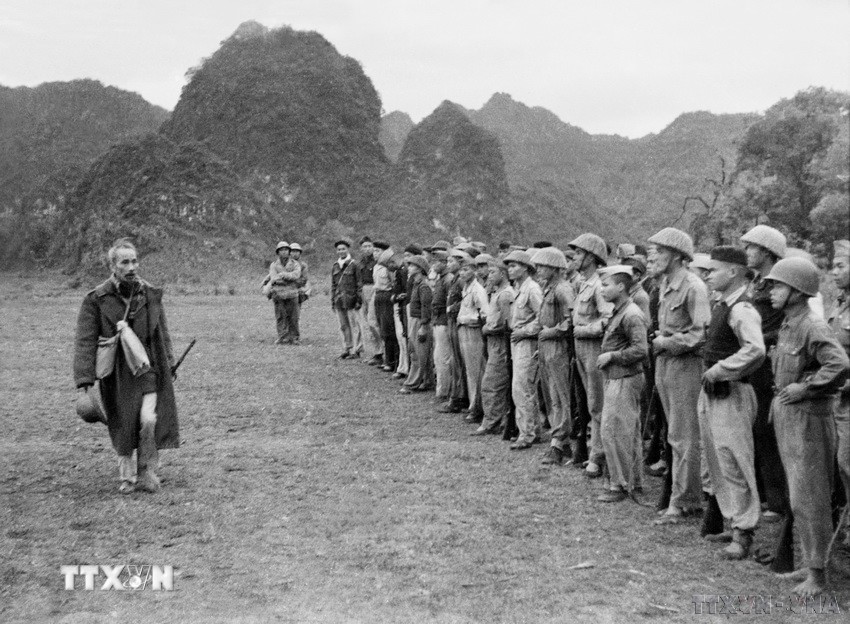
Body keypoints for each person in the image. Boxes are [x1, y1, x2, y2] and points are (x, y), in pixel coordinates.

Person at [766, 256, 849, 597]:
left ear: (799, 292)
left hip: (809, 419)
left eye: (779, 286)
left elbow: (840, 364)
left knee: (811, 496)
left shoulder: (813, 326)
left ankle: (818, 575)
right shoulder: (790, 323)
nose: (772, 291)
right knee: (798, 495)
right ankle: (812, 562)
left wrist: (809, 386)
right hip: (790, 416)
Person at [73, 239, 179, 494]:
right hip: (117, 374)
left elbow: (162, 333)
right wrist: (84, 380)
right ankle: (126, 476)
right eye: (125, 262)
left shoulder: (150, 294)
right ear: (113, 265)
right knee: (122, 423)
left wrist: (171, 363)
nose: (132, 267)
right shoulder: (96, 299)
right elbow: (85, 341)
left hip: (149, 368)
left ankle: (147, 469)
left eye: (134, 261)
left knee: (148, 419)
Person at [697, 246, 766, 559]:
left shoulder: (742, 308)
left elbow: (755, 350)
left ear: (734, 271)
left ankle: (744, 533)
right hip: (715, 393)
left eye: (715, 269)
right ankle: (734, 520)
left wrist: (720, 369)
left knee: (735, 461)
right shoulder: (722, 305)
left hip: (733, 393)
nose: (709, 275)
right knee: (717, 460)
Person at [647, 227, 711, 525]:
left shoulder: (694, 286)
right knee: (674, 434)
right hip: (666, 365)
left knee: (685, 436)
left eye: (659, 251)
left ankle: (684, 501)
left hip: (685, 366)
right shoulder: (665, 284)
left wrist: (667, 342)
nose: (654, 256)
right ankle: (683, 497)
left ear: (676, 255)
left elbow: (701, 334)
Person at [596, 265, 648, 502]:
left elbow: (640, 349)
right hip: (616, 377)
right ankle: (630, 481)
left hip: (625, 378)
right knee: (622, 431)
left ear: (621, 287)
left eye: (606, 285)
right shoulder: (621, 311)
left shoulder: (632, 314)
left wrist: (612, 356)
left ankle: (620, 485)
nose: (602, 289)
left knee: (615, 431)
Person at [569, 233, 613, 477]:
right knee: (590, 403)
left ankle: (598, 457)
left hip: (593, 348)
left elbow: (607, 320)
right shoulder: (583, 283)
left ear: (591, 256)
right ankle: (594, 452)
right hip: (581, 348)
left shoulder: (598, 285)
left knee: (597, 404)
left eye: (578, 253)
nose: (574, 257)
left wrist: (583, 330)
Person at [534, 247, 576, 465]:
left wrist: (554, 331)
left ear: (554, 267)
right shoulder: (549, 288)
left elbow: (572, 320)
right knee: (551, 396)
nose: (539, 269)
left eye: (542, 266)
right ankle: (562, 441)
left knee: (560, 397)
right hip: (547, 347)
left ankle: (558, 443)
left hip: (558, 347)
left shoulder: (562, 289)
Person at [505, 249, 544, 450]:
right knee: (522, 388)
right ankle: (532, 430)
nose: (510, 270)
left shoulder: (532, 289)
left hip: (527, 343)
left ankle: (526, 433)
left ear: (526, 268)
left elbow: (543, 318)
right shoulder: (520, 288)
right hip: (518, 342)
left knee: (522, 388)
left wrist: (526, 331)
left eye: (514, 266)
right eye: (509, 266)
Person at [474, 258, 516, 435]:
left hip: (500, 343)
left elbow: (507, 323)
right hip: (493, 342)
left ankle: (492, 421)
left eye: (493, 272)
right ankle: (496, 420)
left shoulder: (505, 294)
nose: (489, 276)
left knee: (492, 383)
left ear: (503, 274)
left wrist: (489, 328)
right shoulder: (498, 292)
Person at [827, 239, 850, 546]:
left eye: (840, 266)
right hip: (837, 399)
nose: (833, 271)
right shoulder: (840, 303)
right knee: (842, 465)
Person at [456, 255, 489, 423]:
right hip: (464, 329)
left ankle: (478, 408)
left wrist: (472, 322)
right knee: (470, 371)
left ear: (475, 271)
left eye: (466, 269)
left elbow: (484, 314)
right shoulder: (466, 288)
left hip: (473, 331)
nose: (462, 273)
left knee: (476, 371)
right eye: (461, 269)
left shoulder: (477, 290)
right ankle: (473, 405)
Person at [401, 255, 434, 393]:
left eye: (412, 265)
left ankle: (413, 383)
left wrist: (423, 326)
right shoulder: (416, 284)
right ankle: (426, 381)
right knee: (417, 351)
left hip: (419, 321)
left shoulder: (424, 286)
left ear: (420, 269)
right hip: (414, 320)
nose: (409, 268)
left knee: (418, 353)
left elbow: (426, 308)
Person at [331, 238, 363, 359]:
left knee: (355, 325)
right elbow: (333, 285)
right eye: (339, 249)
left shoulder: (354, 265)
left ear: (348, 249)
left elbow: (359, 284)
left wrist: (359, 300)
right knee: (343, 325)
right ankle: (347, 348)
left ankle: (356, 349)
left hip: (351, 299)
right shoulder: (335, 266)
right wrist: (332, 301)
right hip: (339, 300)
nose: (341, 251)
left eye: (343, 249)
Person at [266, 241, 302, 345]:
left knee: (293, 317)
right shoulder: (274, 265)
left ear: (289, 251)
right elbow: (273, 279)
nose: (284, 252)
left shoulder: (295, 264)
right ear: (278, 252)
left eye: (286, 250)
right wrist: (287, 277)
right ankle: (282, 337)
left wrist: (283, 275)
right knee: (280, 316)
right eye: (281, 250)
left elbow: (296, 275)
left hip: (292, 293)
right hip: (278, 294)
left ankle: (294, 338)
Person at [431, 249, 455, 401]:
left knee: (443, 357)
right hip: (438, 320)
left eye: (439, 261)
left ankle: (444, 390)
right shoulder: (441, 279)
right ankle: (442, 388)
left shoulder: (448, 280)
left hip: (444, 322)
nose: (435, 264)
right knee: (439, 357)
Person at [357, 236, 383, 366]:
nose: (367, 249)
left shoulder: (378, 261)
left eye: (369, 246)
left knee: (374, 322)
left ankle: (380, 351)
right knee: (366, 323)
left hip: (374, 288)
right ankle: (374, 352)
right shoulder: (361, 262)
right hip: (363, 290)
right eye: (364, 247)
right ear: (361, 249)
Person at [374, 247, 399, 373]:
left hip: (387, 296)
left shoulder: (389, 269)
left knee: (388, 329)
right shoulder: (377, 268)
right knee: (381, 328)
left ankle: (391, 361)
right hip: (379, 295)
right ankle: (387, 358)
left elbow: (394, 283)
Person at [290, 243, 310, 309]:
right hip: (285, 290)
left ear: (300, 253)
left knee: (295, 314)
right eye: (293, 251)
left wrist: (293, 282)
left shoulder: (303, 265)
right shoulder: (285, 264)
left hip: (297, 290)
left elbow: (304, 279)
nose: (295, 254)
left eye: (297, 251)